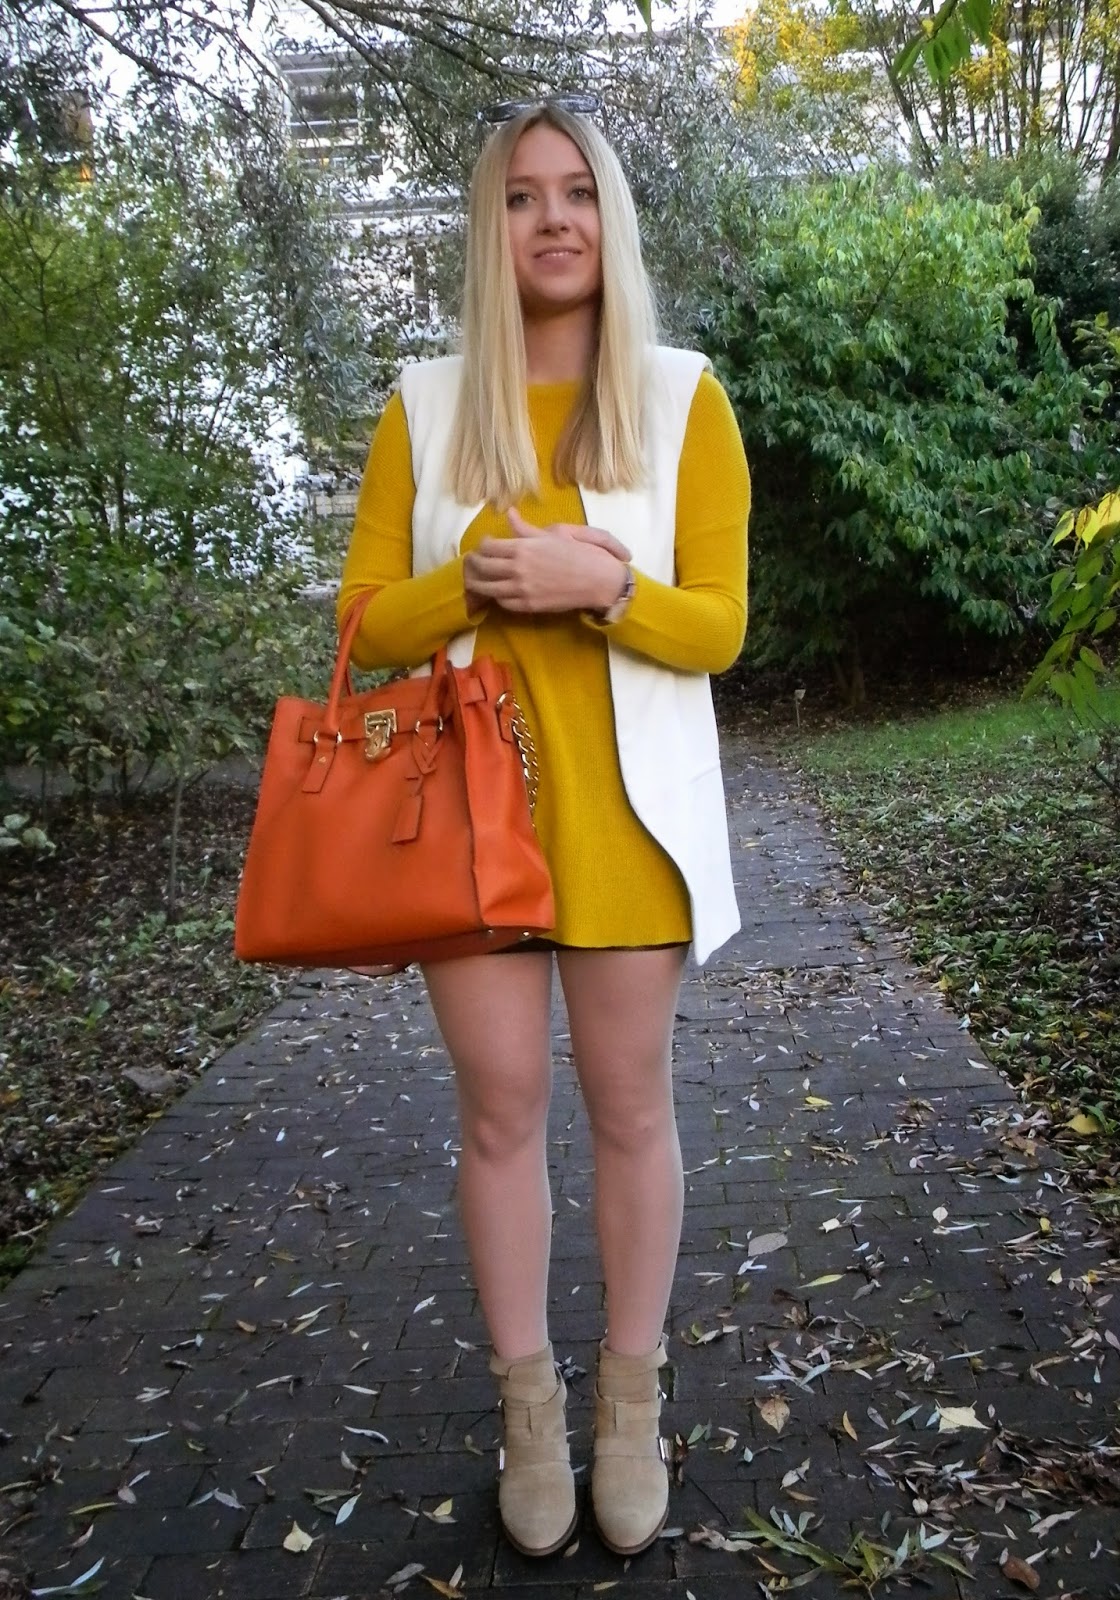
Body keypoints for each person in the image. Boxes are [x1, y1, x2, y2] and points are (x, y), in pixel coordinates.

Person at [337, 99, 750, 1560]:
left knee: (630, 1109)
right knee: (500, 1109)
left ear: (609, 218)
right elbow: (365, 624)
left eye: (577, 191)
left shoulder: (684, 397)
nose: (553, 217)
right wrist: (478, 580)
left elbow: (721, 625)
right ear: (489, 226)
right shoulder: (426, 404)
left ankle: (629, 1402)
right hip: (469, 820)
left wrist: (607, 588)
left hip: (630, 817)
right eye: (521, 196)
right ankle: (529, 1409)